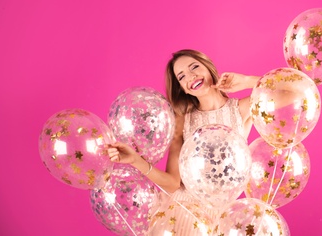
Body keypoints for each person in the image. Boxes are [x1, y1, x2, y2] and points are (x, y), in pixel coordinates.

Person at [107, 49, 260, 234]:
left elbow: (295, 89)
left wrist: (248, 81)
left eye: (194, 67)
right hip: (185, 216)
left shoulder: (242, 108)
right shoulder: (182, 121)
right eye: (182, 76)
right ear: (182, 88)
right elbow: (172, 183)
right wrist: (135, 160)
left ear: (208, 67)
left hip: (224, 218)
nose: (191, 76)